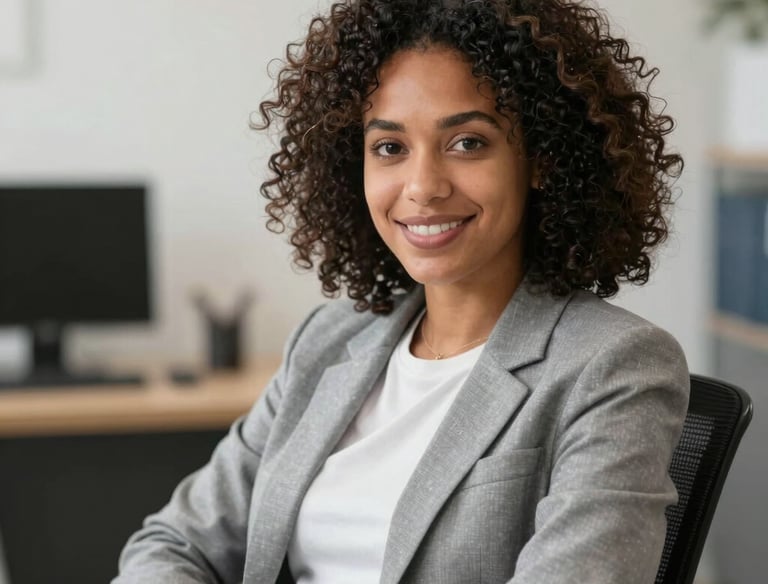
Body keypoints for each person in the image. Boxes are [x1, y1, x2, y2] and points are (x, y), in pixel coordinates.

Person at [113, 0, 689, 582]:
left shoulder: (614, 365)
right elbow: (173, 543)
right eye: (390, 148)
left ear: (540, 157)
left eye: (467, 142)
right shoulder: (328, 340)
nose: (422, 187)